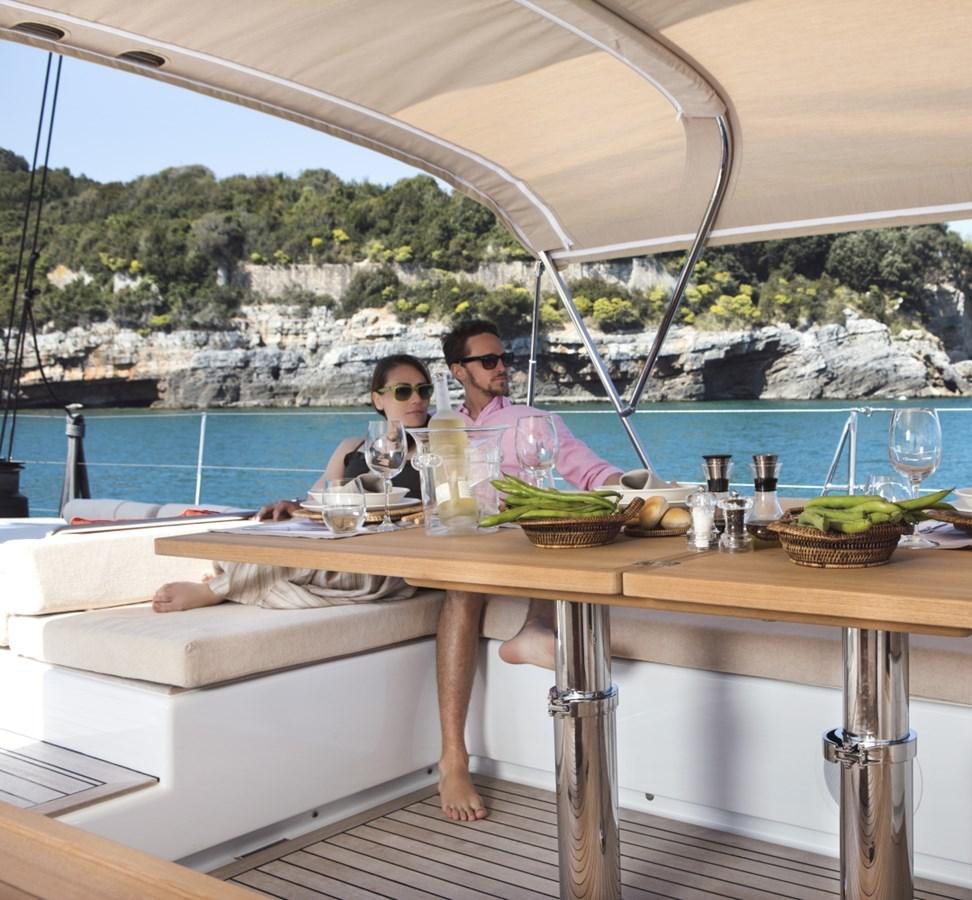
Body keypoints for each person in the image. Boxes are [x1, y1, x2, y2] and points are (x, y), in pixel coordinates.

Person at [149, 354, 491, 823]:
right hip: (347, 543)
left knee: (309, 568)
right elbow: (319, 500)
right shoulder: (352, 448)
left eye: (423, 391)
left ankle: (221, 588)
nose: (416, 400)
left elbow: (460, 504)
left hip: (393, 562)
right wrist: (292, 504)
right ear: (378, 399)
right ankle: (228, 583)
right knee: (272, 538)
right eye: (403, 391)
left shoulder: (438, 444)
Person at [441, 320, 623, 669]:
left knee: (546, 539)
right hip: (461, 540)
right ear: (458, 371)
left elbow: (591, 472)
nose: (502, 367)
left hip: (518, 537)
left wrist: (642, 488)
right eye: (489, 361)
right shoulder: (443, 426)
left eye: (504, 359)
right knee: (460, 588)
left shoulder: (532, 420)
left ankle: (534, 628)